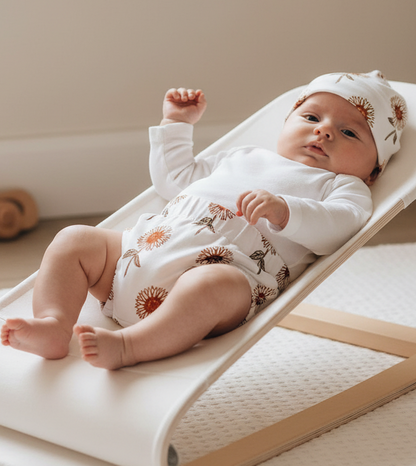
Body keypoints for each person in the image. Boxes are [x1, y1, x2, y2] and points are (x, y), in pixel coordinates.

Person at [1, 71, 407, 369]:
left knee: (211, 284)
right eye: (312, 118)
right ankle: (54, 323)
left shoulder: (345, 188)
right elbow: (173, 180)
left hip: (225, 276)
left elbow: (343, 226)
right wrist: (176, 126)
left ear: (374, 170)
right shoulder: (244, 156)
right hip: (140, 254)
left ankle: (128, 345)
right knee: (74, 239)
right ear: (287, 123)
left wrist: (287, 211)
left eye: (350, 133)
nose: (325, 133)